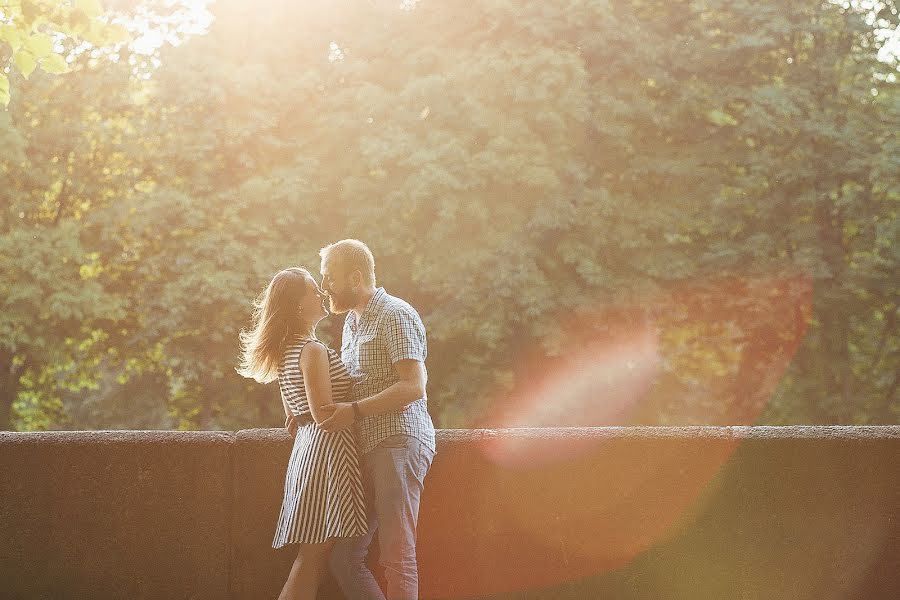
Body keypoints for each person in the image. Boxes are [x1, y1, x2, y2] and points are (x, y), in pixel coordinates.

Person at [237, 267, 367, 600]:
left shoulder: (288, 351)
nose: (322, 293)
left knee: (313, 560)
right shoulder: (311, 350)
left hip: (309, 452)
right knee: (311, 560)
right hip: (328, 455)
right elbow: (323, 413)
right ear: (297, 305)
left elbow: (293, 418)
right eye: (313, 290)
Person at [317, 239, 436, 600]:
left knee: (398, 558)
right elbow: (353, 387)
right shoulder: (352, 323)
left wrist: (353, 411)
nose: (324, 288)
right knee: (344, 558)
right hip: (368, 449)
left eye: (329, 279)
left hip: (398, 442)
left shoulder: (394, 313)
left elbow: (414, 386)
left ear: (355, 277)